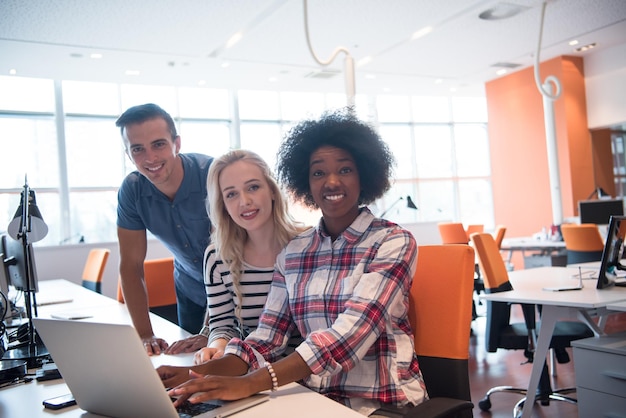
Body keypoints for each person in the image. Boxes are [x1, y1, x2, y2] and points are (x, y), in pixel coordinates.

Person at [158, 108, 427, 417]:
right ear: (305, 182)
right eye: (317, 173)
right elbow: (265, 337)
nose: (331, 181)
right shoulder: (294, 252)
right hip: (314, 401)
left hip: (383, 404)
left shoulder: (392, 242)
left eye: (345, 170)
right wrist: (199, 376)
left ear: (364, 174)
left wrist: (251, 382)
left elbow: (349, 336)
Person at [165, 149, 304, 357]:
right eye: (231, 194)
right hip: (250, 371)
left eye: (253, 187)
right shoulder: (217, 258)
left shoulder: (309, 245)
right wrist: (216, 349)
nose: (244, 201)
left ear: (273, 190)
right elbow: (222, 325)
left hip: (307, 377)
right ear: (223, 205)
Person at [116, 103, 213, 355]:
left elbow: (229, 258)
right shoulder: (132, 191)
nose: (150, 158)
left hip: (237, 290)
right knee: (189, 367)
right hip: (190, 290)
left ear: (176, 144)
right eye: (138, 149)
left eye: (158, 144)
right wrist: (145, 335)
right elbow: (131, 266)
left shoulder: (212, 176)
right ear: (128, 154)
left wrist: (209, 330)